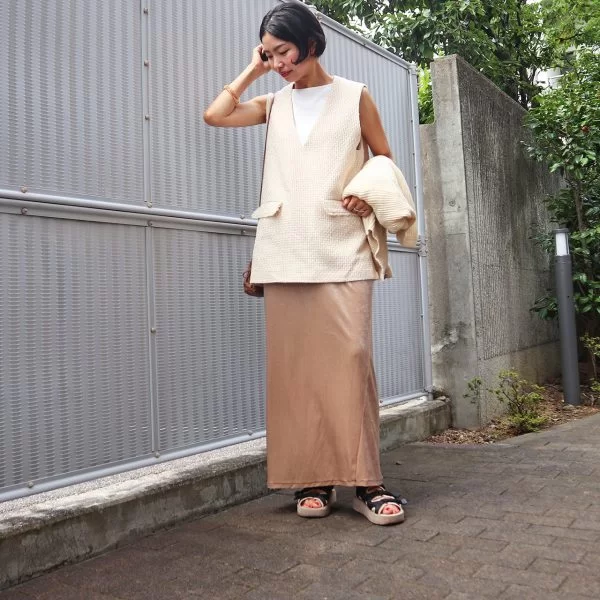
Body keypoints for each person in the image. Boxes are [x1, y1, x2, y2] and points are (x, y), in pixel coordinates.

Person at [204, 1, 405, 525]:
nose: (277, 63)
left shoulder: (355, 96)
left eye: (283, 52)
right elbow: (215, 115)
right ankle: (313, 479)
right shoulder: (273, 103)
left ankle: (367, 482)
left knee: (352, 360)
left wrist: (366, 190)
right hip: (285, 248)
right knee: (297, 370)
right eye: (269, 54)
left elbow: (383, 157)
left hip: (344, 246)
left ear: (311, 43)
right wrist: (252, 69)